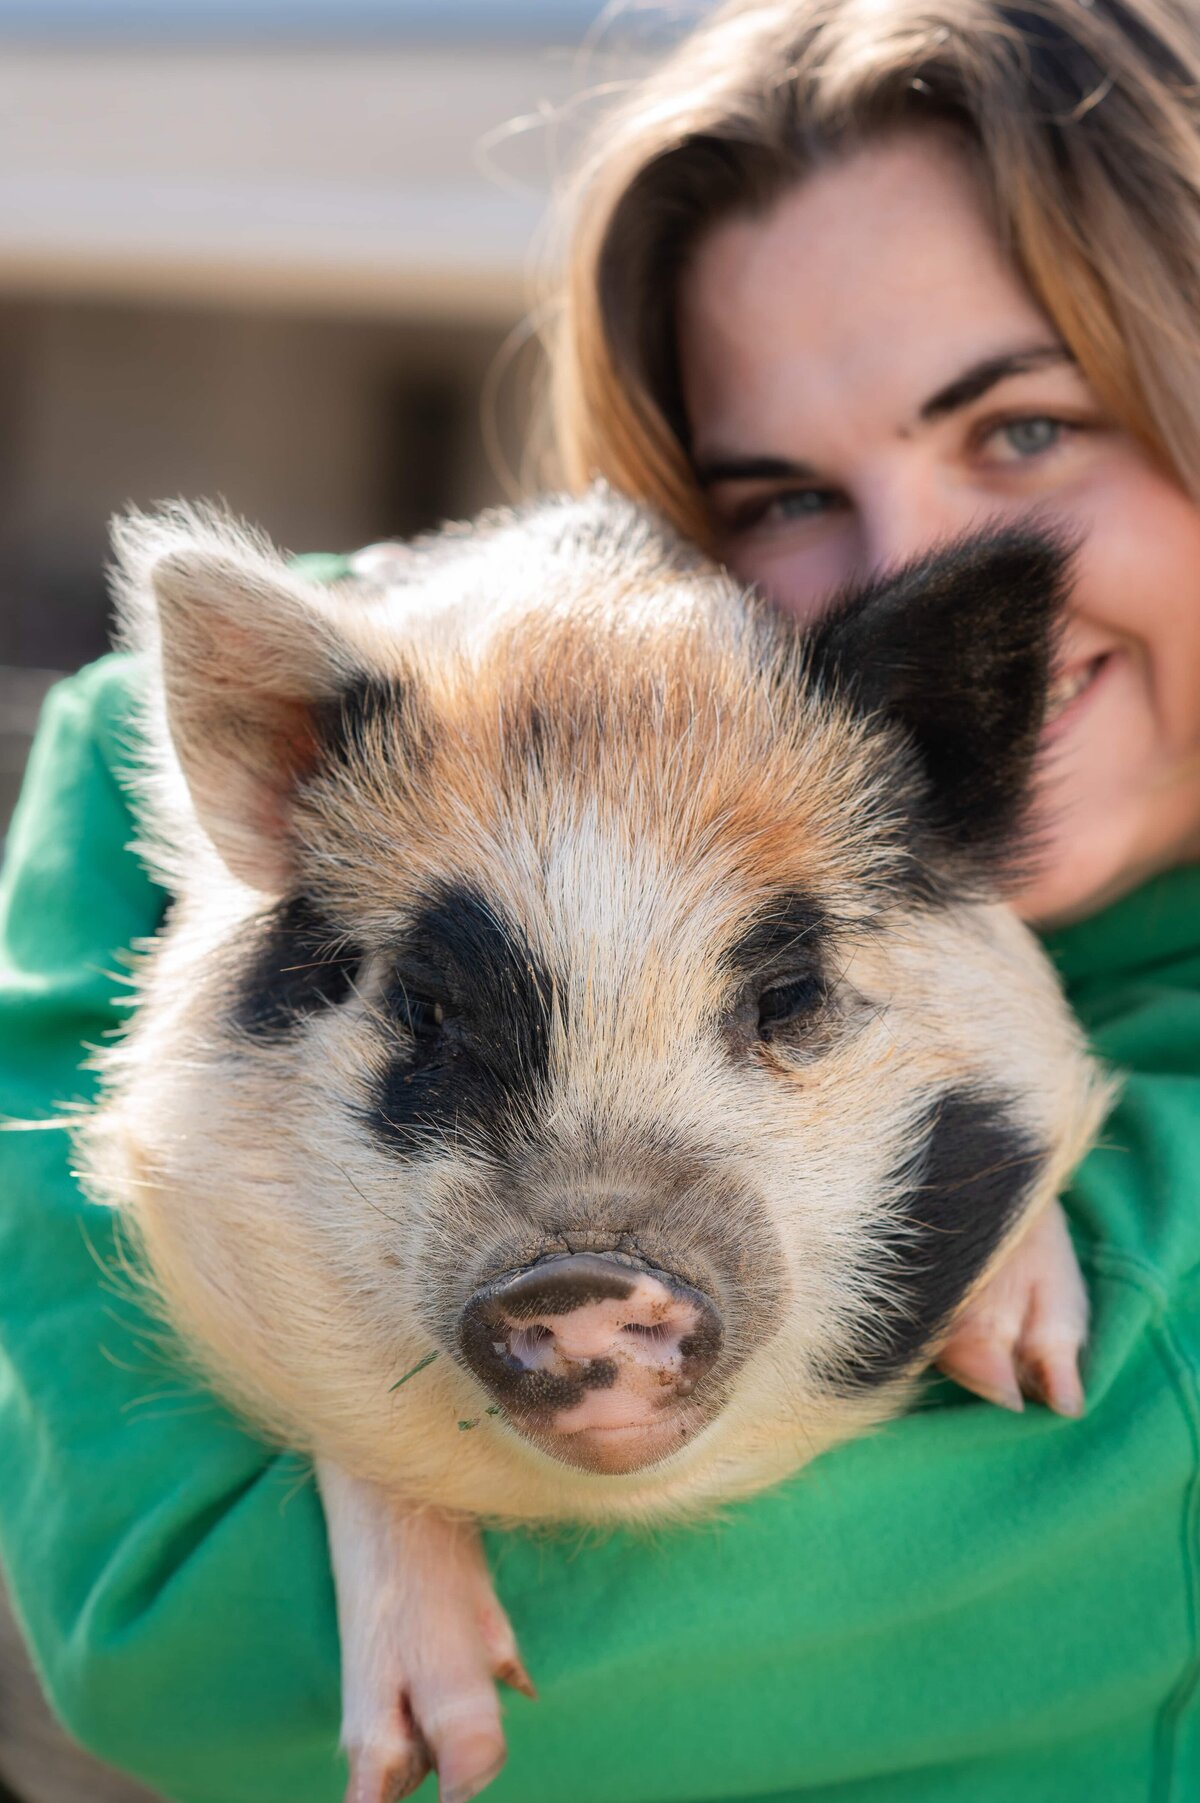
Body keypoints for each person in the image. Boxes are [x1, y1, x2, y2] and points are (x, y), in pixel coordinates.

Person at [0, 2, 1196, 1799]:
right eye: (778, 491)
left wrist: (383, 1444)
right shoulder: (287, 764)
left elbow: (237, 1670)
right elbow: (157, 1632)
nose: (898, 568)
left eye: (1023, 429)